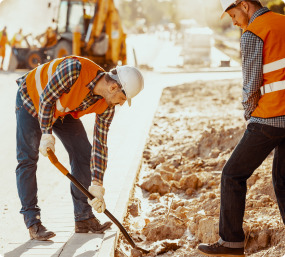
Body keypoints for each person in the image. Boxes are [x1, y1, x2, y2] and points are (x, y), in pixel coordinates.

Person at [15, 55, 144, 240]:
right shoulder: (75, 69)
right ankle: (33, 221)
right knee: (27, 159)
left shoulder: (107, 106)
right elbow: (46, 99)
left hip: (61, 109)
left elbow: (100, 144)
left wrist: (97, 186)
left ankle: (83, 218)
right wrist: (46, 133)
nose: (122, 103)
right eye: (123, 98)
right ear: (113, 86)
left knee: (84, 153)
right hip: (32, 99)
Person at [198, 1, 285, 256]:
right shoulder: (282, 21)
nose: (234, 22)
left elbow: (251, 82)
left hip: (269, 118)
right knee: (282, 181)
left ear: (245, 6)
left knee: (232, 175)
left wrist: (250, 115)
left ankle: (231, 243)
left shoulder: (253, 33)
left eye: (233, 15)